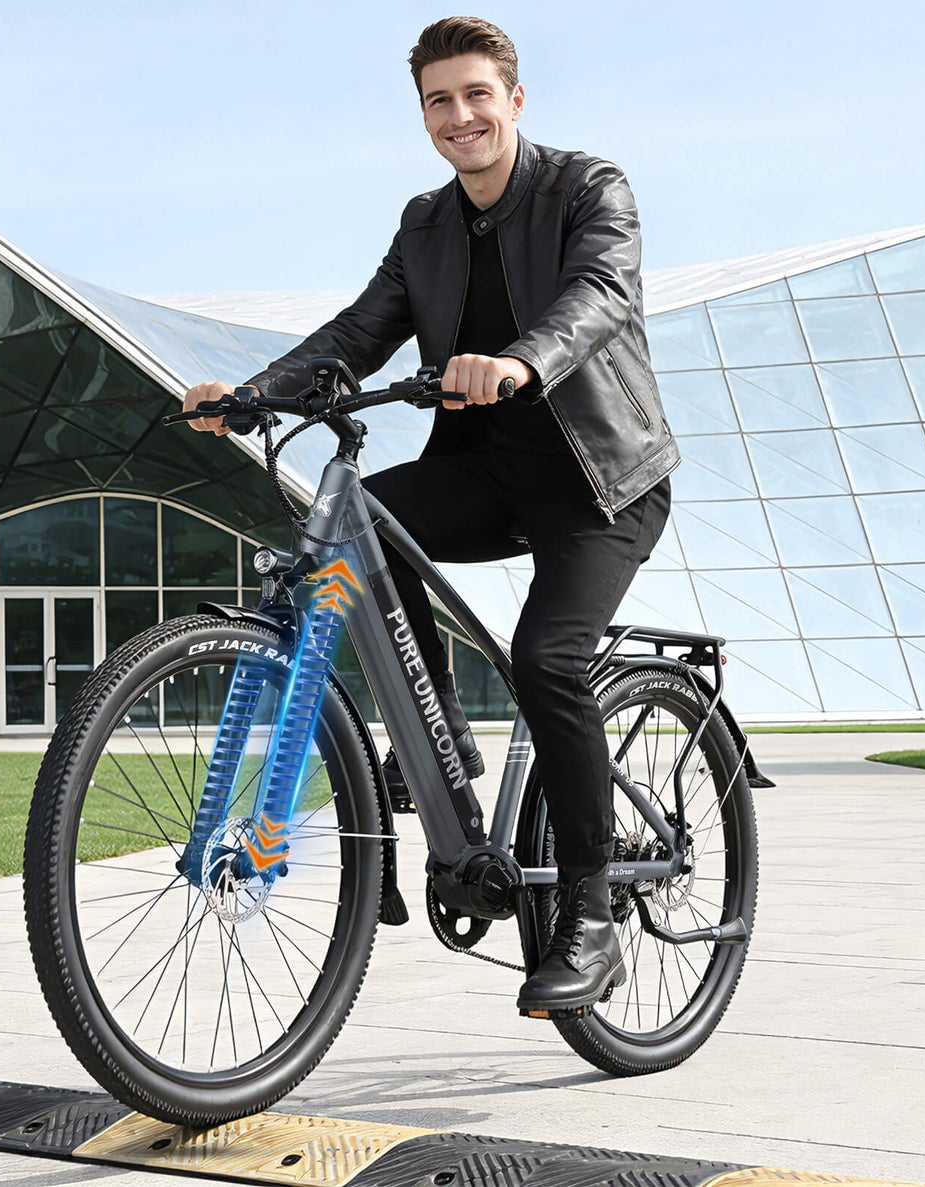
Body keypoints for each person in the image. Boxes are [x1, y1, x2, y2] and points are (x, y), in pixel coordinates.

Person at [181, 16, 677, 1014]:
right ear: (423, 115)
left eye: (476, 94)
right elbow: (358, 332)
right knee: (364, 521)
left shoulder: (588, 187)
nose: (460, 116)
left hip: (600, 482)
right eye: (439, 101)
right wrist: (254, 393)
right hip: (488, 472)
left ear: (514, 100)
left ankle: (590, 915)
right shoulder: (425, 225)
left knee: (547, 658)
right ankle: (437, 734)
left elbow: (599, 295)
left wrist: (522, 360)